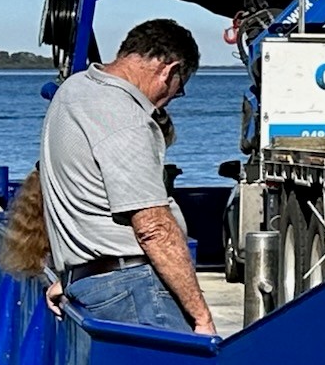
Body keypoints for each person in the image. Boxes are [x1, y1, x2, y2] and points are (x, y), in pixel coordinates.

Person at [39, 17, 218, 337]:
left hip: (89, 287)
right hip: (135, 293)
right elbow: (153, 228)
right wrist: (201, 316)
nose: (168, 101)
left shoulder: (72, 92)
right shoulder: (125, 116)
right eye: (178, 90)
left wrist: (72, 276)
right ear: (169, 70)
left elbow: (82, 194)